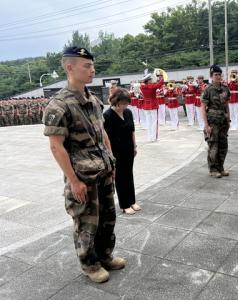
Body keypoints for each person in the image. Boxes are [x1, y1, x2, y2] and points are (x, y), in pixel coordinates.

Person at [42, 46, 126, 283]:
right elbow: (56, 147)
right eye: (87, 66)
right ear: (70, 67)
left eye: (92, 65)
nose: (93, 70)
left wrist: (112, 161)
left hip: (103, 170)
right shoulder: (59, 105)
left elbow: (103, 134)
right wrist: (74, 180)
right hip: (83, 176)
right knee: (87, 223)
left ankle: (105, 256)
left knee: (108, 218)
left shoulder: (93, 100)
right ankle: (90, 265)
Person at [103, 88, 140, 215]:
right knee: (120, 177)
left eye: (126, 103)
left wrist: (134, 146)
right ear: (115, 101)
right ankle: (124, 204)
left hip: (129, 149)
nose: (124, 106)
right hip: (116, 151)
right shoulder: (107, 116)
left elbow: (132, 131)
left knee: (129, 174)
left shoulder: (128, 112)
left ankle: (132, 201)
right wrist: (110, 154)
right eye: (122, 104)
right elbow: (106, 137)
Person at [201, 65, 230, 178]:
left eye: (219, 74)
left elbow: (227, 105)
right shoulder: (208, 90)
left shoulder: (225, 88)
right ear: (211, 76)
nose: (218, 77)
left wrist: (229, 120)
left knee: (223, 145)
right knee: (213, 146)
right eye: (215, 75)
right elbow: (203, 108)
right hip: (212, 121)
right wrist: (206, 125)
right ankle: (213, 169)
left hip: (223, 120)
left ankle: (220, 167)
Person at [140, 72, 164, 141]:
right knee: (154, 122)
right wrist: (161, 77)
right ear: (148, 81)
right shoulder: (151, 86)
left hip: (146, 105)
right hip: (153, 105)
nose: (151, 81)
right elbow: (160, 84)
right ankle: (154, 138)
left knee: (149, 122)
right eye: (150, 80)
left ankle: (149, 137)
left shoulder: (142, 86)